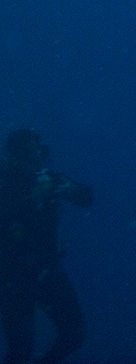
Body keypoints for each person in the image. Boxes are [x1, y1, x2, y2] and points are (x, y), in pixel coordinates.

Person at [0, 130, 93, 364]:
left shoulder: (50, 180)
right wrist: (30, 199)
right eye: (27, 155)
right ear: (13, 158)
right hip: (12, 277)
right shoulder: (5, 185)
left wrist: (66, 189)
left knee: (73, 334)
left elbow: (86, 196)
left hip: (46, 270)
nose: (34, 161)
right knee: (20, 350)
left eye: (37, 154)